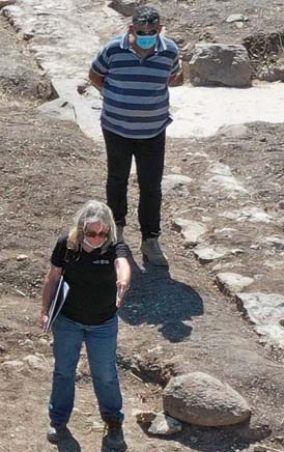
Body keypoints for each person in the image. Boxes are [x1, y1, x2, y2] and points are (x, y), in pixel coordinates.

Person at [88, 5, 183, 267]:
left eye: (152, 31)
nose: (147, 35)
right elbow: (95, 75)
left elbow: (175, 76)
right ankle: (116, 234)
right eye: (142, 31)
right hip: (116, 128)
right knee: (117, 180)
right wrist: (116, 97)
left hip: (153, 131)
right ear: (131, 29)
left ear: (160, 29)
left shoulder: (169, 51)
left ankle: (150, 239)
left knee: (151, 185)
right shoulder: (113, 50)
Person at [40, 201, 132, 449]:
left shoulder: (114, 246)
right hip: (68, 320)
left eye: (102, 233)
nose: (97, 238)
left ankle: (113, 421)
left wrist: (123, 282)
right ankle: (58, 421)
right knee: (64, 371)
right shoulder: (66, 245)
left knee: (105, 374)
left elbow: (122, 265)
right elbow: (53, 277)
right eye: (92, 233)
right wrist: (45, 310)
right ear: (81, 230)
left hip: (103, 323)